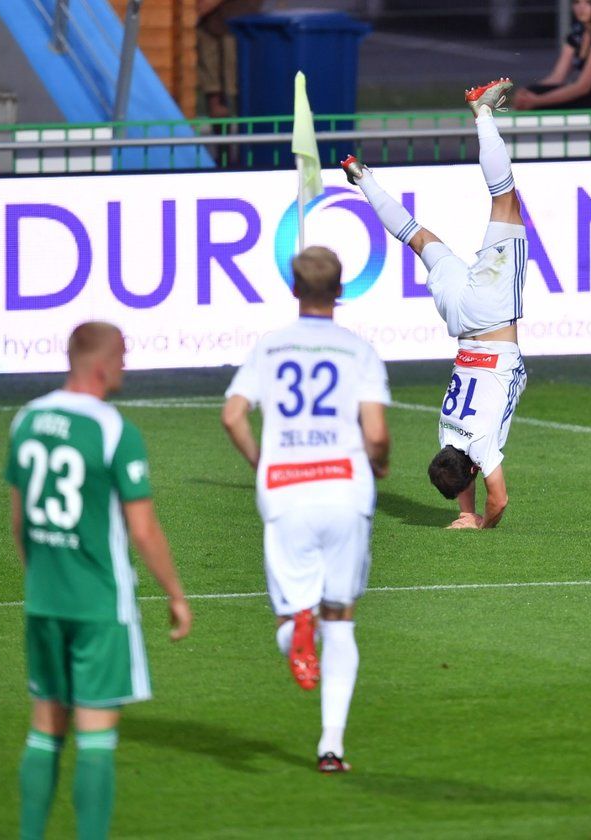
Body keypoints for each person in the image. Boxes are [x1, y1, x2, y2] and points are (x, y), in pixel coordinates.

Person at [5, 321, 192, 839]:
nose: (127, 366)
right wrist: (175, 594)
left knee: (44, 731)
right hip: (100, 607)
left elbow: (18, 521)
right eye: (124, 356)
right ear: (103, 364)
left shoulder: (28, 418)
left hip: (44, 601)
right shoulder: (113, 430)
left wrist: (42, 575)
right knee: (95, 738)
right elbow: (143, 528)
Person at [221, 246, 391, 773]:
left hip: (286, 489)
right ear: (340, 291)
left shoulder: (269, 349)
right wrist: (379, 464)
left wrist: (261, 461)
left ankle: (298, 628)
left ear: (294, 289)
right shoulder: (358, 351)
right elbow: (377, 434)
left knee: (295, 611)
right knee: (340, 620)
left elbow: (232, 416)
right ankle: (331, 747)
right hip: (344, 489)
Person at [341, 78, 528, 530]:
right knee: (418, 238)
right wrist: (464, 510)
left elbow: (498, 500)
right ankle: (362, 177)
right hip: (458, 315)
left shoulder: (479, 448)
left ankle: (481, 112)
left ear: (470, 471)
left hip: (490, 316)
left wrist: (480, 520)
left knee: (505, 200)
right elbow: (459, 464)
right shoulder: (445, 432)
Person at [512, 0, 591, 114]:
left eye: (588, 3)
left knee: (535, 104)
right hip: (583, 93)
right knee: (528, 95)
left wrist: (538, 101)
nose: (581, 8)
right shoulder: (577, 33)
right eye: (577, 3)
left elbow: (583, 87)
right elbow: (557, 77)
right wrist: (527, 93)